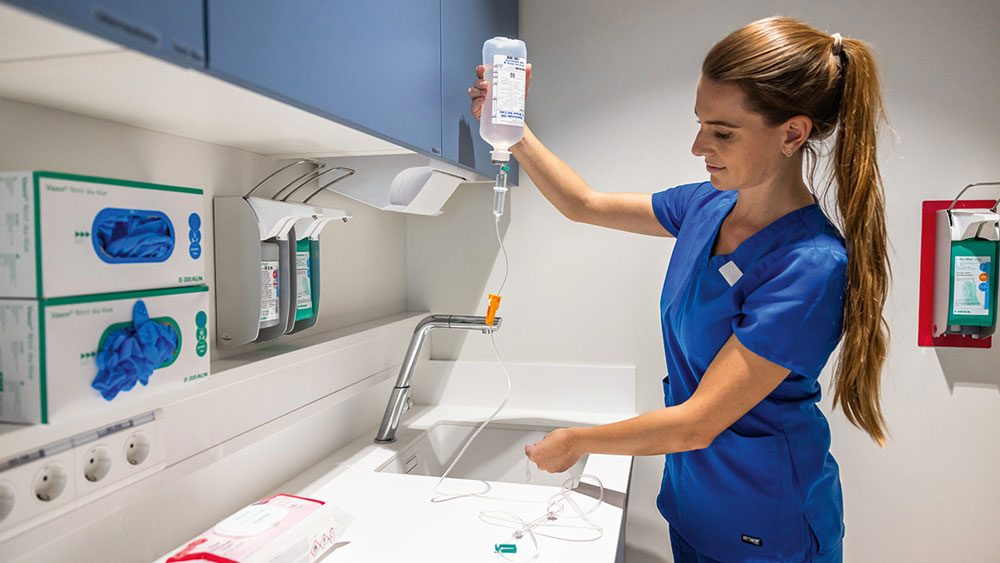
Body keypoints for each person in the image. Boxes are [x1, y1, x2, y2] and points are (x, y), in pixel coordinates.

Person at [468, 16, 890, 563]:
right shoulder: (707, 206)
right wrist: (510, 125)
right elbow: (584, 204)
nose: (698, 146)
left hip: (767, 519)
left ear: (793, 133)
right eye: (700, 123)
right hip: (695, 502)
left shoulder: (809, 265)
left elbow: (697, 423)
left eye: (722, 132)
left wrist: (575, 442)